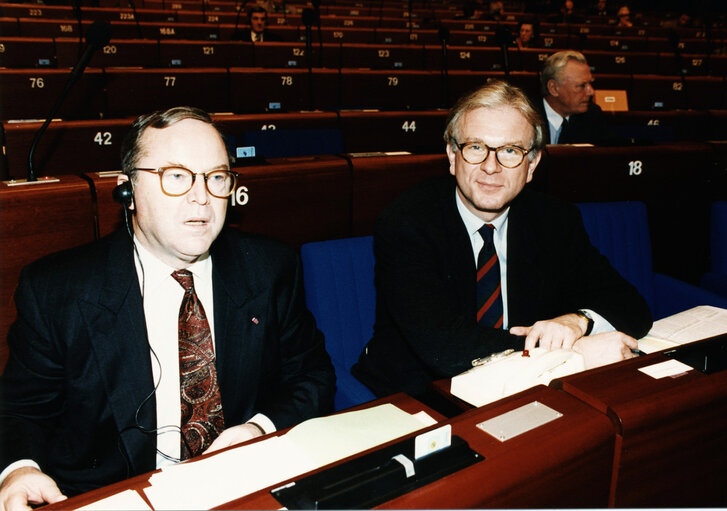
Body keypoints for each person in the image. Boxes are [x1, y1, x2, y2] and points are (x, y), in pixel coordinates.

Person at [0, 106, 335, 508]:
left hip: (243, 488)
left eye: (216, 177)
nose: (202, 197)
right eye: (176, 176)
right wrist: (19, 469)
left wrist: (258, 429)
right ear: (127, 191)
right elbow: (19, 412)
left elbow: (312, 377)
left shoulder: (270, 267)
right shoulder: (56, 289)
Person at [351, 80, 652, 399]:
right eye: (476, 147)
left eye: (510, 150)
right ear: (453, 155)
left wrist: (577, 322)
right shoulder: (407, 223)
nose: (491, 167)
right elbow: (446, 349)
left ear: (532, 164)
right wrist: (574, 354)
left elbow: (632, 308)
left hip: (526, 390)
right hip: (422, 396)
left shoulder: (554, 219)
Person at [539, 50, 618, 145]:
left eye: (590, 83)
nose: (591, 92)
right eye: (582, 85)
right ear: (554, 88)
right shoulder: (526, 117)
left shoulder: (592, 115)